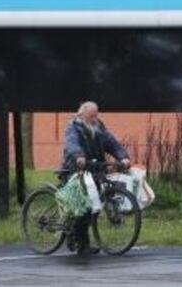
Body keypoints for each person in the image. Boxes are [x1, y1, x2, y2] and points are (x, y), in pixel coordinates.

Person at [61, 101, 131, 254]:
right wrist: (79, 156)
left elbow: (112, 143)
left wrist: (123, 157)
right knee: (84, 207)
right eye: (91, 115)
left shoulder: (99, 128)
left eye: (96, 115)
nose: (94, 118)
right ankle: (80, 242)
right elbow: (72, 143)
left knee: (95, 205)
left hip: (94, 170)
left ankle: (79, 238)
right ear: (82, 114)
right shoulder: (74, 127)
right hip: (75, 170)